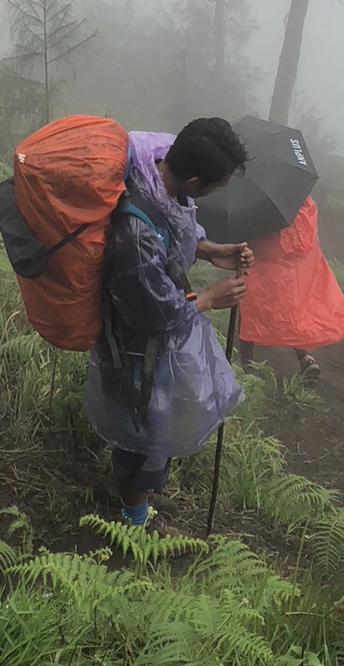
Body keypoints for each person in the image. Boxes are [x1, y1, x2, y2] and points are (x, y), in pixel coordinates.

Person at [84, 117, 252, 527]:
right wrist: (211, 298)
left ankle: (137, 497)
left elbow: (174, 234)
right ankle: (134, 521)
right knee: (142, 429)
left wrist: (210, 250)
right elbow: (156, 314)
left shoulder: (159, 181)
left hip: (150, 347)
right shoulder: (135, 235)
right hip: (134, 350)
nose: (215, 193)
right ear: (194, 180)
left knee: (149, 426)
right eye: (215, 187)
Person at [236, 196, 344, 381]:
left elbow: (247, 232)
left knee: (250, 305)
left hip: (261, 263)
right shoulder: (297, 198)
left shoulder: (256, 200)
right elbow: (306, 235)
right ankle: (305, 357)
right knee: (292, 308)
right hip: (290, 267)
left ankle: (246, 362)